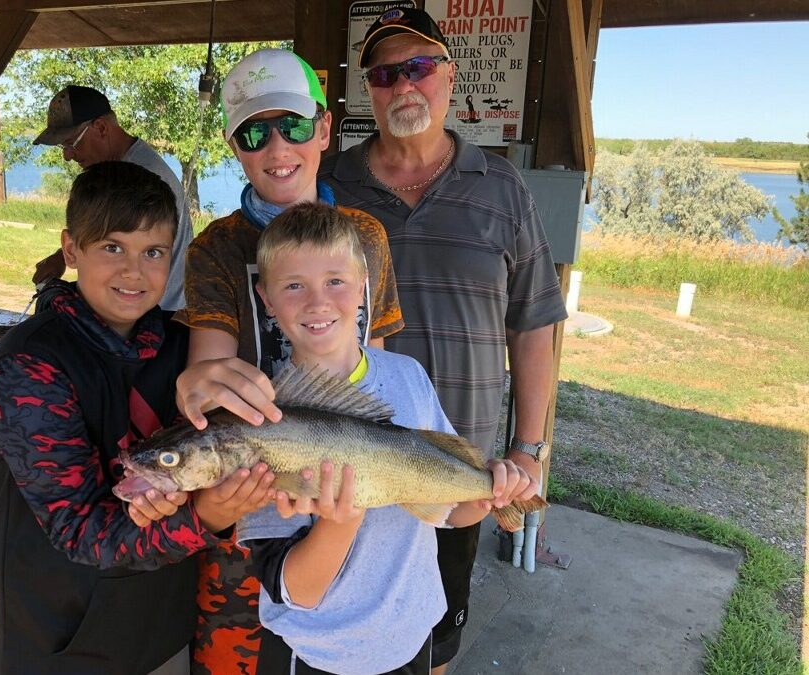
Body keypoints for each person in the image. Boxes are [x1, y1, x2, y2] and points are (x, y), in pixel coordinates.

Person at [319, 8, 569, 672]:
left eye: (419, 67)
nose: (404, 84)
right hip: (351, 456)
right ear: (368, 88)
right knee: (339, 630)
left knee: (436, 645)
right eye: (385, 72)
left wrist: (529, 447)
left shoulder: (502, 186)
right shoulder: (332, 185)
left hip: (460, 462)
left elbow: (535, 323)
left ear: (449, 77)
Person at [0, 161, 275, 675]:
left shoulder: (183, 346)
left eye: (153, 252)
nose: (134, 272)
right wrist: (206, 517)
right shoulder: (30, 367)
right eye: (112, 247)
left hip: (163, 628)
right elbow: (82, 532)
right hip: (65, 643)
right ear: (71, 250)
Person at [167, 48, 404, 674]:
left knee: (344, 637)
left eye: (294, 125)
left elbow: (373, 377)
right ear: (234, 144)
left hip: (341, 481)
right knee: (244, 656)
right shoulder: (215, 247)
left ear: (324, 129)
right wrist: (196, 385)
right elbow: (209, 372)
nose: (278, 147)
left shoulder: (366, 237)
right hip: (254, 493)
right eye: (254, 131)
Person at [237, 203, 536, 675]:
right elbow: (297, 590)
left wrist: (491, 492)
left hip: (409, 638)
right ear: (267, 299)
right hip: (317, 655)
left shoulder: (409, 377)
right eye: (294, 286)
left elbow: (448, 511)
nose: (318, 302)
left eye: (336, 281)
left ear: (363, 287)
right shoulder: (260, 420)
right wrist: (340, 523)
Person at [31, 85, 193, 310]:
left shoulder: (141, 179)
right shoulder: (129, 171)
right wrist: (64, 255)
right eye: (63, 146)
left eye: (71, 143)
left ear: (101, 128)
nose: (67, 156)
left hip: (152, 320)